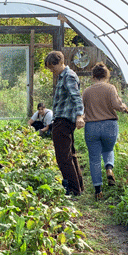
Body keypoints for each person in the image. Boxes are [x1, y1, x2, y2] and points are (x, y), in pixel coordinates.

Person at [82, 63, 128, 199]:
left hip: (92, 127)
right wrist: (123, 107)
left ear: (93, 76)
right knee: (108, 150)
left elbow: (82, 110)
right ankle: (109, 169)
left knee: (94, 159)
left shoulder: (87, 91)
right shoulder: (110, 88)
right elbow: (116, 105)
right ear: (107, 75)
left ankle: (98, 190)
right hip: (110, 125)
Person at [44, 50, 85, 196]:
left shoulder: (68, 76)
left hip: (64, 121)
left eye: (52, 67)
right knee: (70, 155)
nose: (51, 70)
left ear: (61, 63)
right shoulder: (63, 76)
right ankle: (78, 186)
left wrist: (80, 115)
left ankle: (73, 189)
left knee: (63, 157)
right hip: (63, 120)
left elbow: (77, 97)